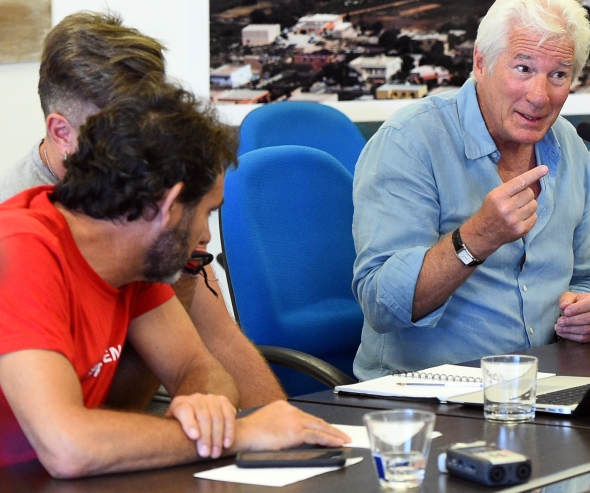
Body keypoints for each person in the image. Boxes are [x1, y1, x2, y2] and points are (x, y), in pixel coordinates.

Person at [0, 87, 349, 475]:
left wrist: (206, 406)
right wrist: (240, 434)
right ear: (169, 207)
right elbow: (67, 446)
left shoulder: (130, 255)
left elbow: (196, 367)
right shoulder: (19, 250)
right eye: (206, 213)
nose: (205, 237)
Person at [0, 11, 285, 409]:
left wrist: (287, 437)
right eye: (123, 127)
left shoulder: (153, 201)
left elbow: (216, 343)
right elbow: (76, 430)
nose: (150, 144)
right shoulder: (18, 229)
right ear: (62, 132)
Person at [351, 0, 590, 380]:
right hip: (426, 396)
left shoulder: (571, 149)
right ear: (480, 63)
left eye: (558, 75)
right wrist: (476, 239)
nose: (539, 95)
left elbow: (584, 277)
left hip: (545, 388)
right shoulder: (410, 141)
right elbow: (381, 304)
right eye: (523, 68)